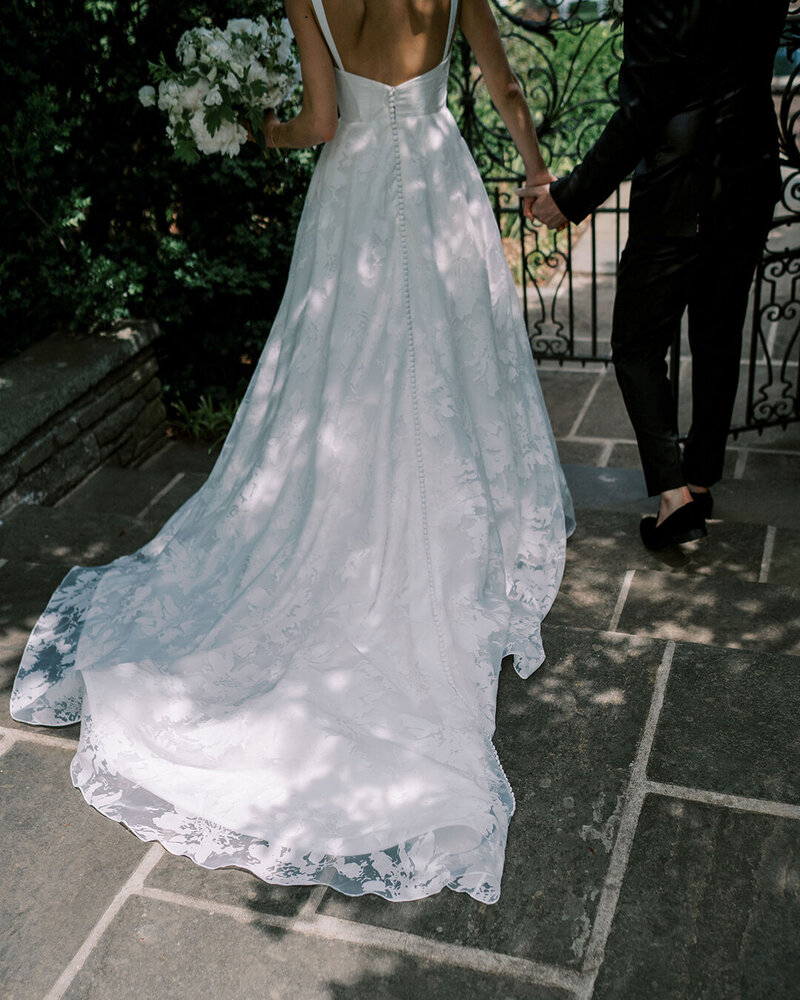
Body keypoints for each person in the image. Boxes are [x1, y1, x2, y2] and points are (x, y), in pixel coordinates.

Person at [10, 0, 573, 903]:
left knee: (339, 378)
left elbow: (319, 123)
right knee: (450, 360)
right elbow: (503, 85)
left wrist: (250, 128)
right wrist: (540, 170)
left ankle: (350, 514)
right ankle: (445, 531)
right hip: (435, 183)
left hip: (352, 192)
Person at [518, 0, 786, 549]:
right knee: (717, 335)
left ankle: (674, 498)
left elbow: (642, 111)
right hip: (750, 177)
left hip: (679, 191)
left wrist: (570, 198)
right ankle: (698, 478)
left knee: (636, 345)